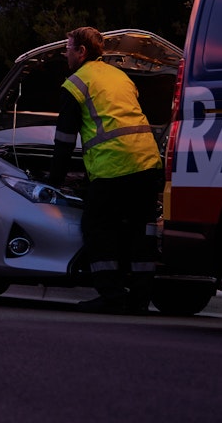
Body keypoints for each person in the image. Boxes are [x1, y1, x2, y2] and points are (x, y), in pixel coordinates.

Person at [49, 26, 163, 315]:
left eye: (68, 47)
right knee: (141, 231)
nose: (66, 53)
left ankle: (111, 295)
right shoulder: (120, 76)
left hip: (114, 167)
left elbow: (64, 142)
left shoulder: (76, 84)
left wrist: (54, 180)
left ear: (81, 52)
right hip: (148, 163)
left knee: (98, 228)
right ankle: (140, 300)